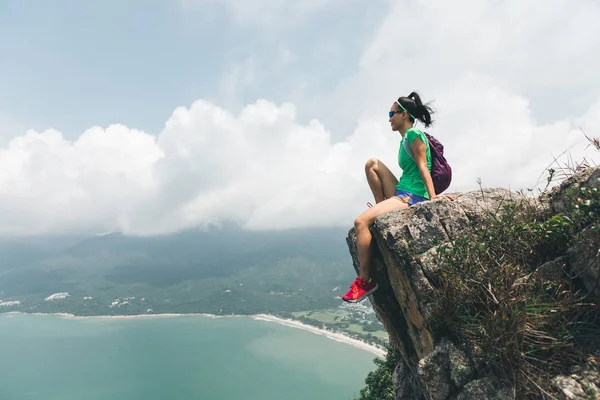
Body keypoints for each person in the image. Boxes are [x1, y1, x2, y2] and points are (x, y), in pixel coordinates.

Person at [342, 92, 454, 303]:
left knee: (361, 222)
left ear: (404, 115)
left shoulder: (414, 135)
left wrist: (433, 197)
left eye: (392, 113)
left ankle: (364, 281)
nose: (389, 117)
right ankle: (381, 207)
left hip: (412, 195)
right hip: (403, 191)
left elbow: (423, 167)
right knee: (372, 164)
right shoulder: (405, 139)